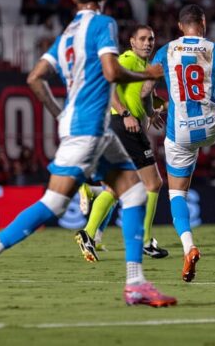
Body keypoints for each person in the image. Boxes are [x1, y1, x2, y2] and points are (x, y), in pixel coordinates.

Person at [0, 0, 175, 307]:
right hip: (89, 128)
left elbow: (34, 78)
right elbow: (111, 71)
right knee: (61, 203)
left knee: (130, 191)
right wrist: (146, 73)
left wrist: (60, 115)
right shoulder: (103, 24)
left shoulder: (66, 35)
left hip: (82, 127)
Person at [145, 4, 215, 282]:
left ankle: (188, 247)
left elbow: (145, 89)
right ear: (203, 25)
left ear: (181, 27)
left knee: (176, 195)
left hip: (178, 132)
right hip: (209, 126)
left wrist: (151, 111)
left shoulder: (165, 51)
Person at [75, 24, 170, 261]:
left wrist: (151, 113)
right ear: (132, 42)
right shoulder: (127, 59)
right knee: (153, 183)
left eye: (151, 39)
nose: (148, 43)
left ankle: (88, 233)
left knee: (119, 187)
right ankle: (146, 241)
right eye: (143, 39)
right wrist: (126, 114)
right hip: (122, 124)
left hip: (127, 126)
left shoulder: (146, 67)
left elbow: (144, 96)